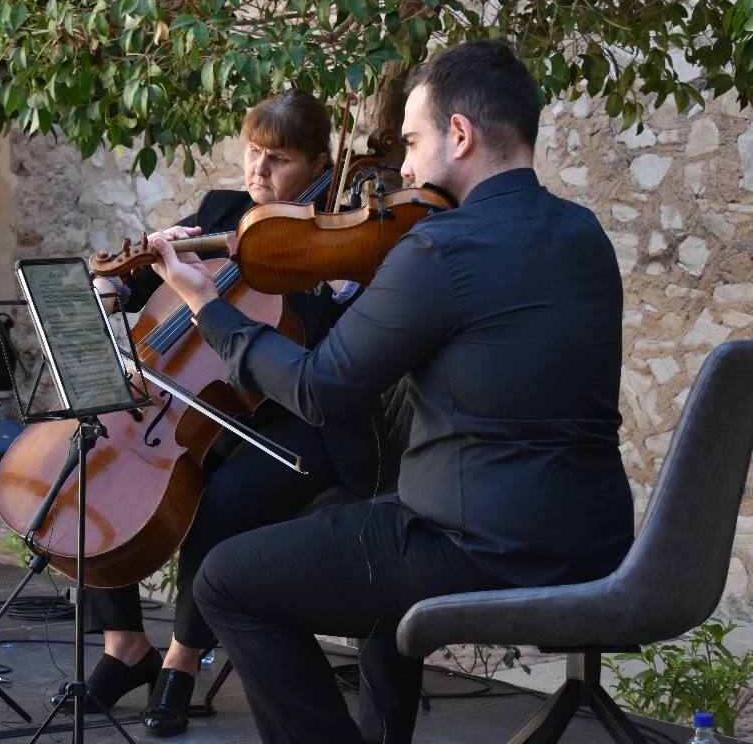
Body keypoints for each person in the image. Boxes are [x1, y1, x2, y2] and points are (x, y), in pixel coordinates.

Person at [146, 39, 635, 743]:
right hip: (591, 542)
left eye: (412, 141)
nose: (402, 169)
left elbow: (317, 390)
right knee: (369, 532)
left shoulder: (441, 249)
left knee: (226, 578)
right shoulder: (583, 233)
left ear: (459, 135)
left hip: (476, 547)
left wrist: (206, 307)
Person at [73, 90, 399, 737]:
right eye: (253, 153)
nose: (258, 172)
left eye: (276, 160)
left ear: (315, 164)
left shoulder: (335, 240)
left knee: (222, 501)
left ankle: (182, 662)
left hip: (299, 424)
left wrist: (325, 290)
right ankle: (124, 644)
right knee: (92, 461)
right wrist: (121, 278)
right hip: (205, 405)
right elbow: (143, 281)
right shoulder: (224, 212)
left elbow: (336, 350)